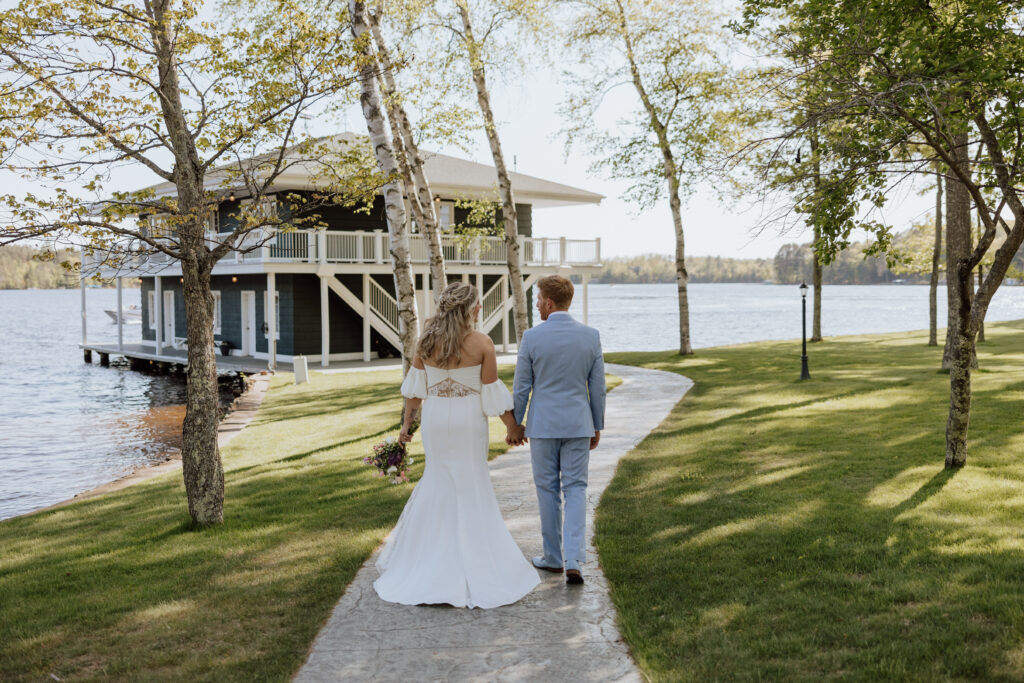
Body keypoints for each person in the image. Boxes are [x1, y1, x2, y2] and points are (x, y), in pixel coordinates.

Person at [373, 282, 540, 609]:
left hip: (436, 421)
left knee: (437, 481)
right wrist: (513, 429)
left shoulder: (426, 341)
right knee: (471, 483)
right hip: (467, 421)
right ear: (471, 309)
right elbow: (492, 393)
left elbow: (414, 391)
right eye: (477, 306)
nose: (478, 310)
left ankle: (429, 563)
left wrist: (406, 429)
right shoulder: (482, 343)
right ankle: (475, 563)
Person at [509, 275, 606, 585]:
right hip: (579, 424)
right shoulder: (590, 336)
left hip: (544, 426)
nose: (536, 305)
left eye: (538, 300)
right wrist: (597, 424)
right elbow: (598, 388)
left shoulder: (531, 338)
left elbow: (522, 386)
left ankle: (553, 558)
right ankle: (574, 557)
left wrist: (516, 424)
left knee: (547, 489)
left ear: (549, 303)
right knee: (576, 488)